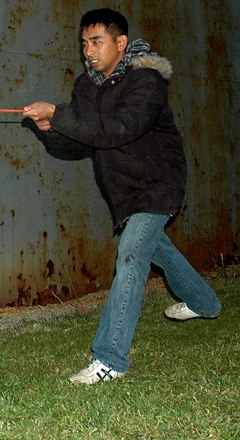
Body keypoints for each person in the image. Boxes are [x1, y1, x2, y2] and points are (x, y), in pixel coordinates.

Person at [22, 8, 221, 385]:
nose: (89, 51)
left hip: (158, 183)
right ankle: (204, 303)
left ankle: (110, 359)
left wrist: (61, 116)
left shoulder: (146, 82)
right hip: (124, 190)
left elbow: (116, 129)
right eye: (84, 44)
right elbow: (79, 141)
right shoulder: (86, 86)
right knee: (156, 248)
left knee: (131, 256)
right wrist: (50, 127)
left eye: (97, 42)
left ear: (121, 42)